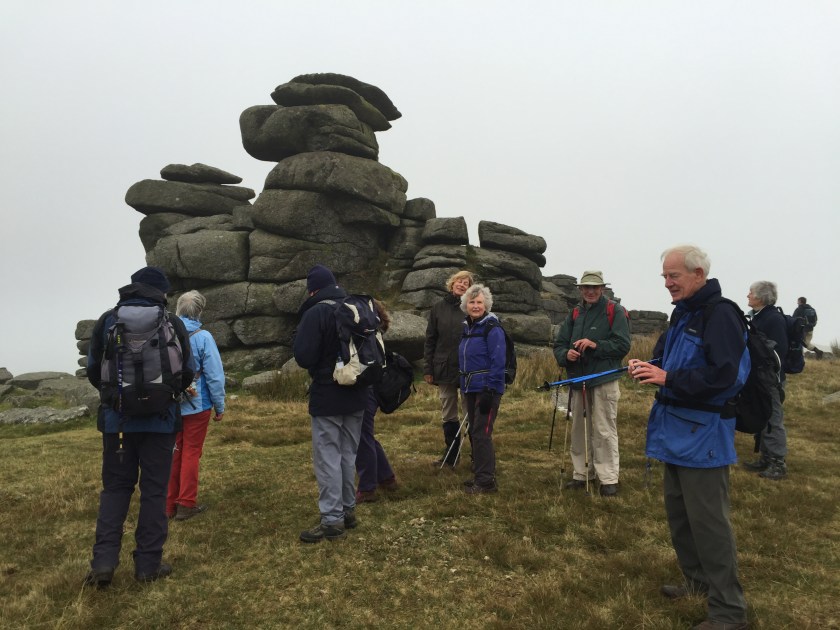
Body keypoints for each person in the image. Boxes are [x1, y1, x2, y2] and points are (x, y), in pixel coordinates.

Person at [629, 245, 749, 630]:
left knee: (709, 525)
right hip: (673, 430)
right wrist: (649, 367)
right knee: (681, 518)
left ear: (698, 274)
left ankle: (728, 611)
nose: (667, 283)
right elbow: (669, 362)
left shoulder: (722, 314)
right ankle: (697, 584)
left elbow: (727, 377)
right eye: (664, 276)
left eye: (674, 276)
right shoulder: (682, 313)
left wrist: (668, 378)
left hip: (704, 436)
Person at [85, 266, 194, 587]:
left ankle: (103, 564)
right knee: (154, 491)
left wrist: (116, 398)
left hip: (117, 423)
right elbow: (186, 371)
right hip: (160, 423)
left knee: (116, 489)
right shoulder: (171, 322)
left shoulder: (108, 320)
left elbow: (94, 370)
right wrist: (165, 397)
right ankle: (148, 565)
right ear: (160, 293)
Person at [293, 264, 368, 543]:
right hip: (358, 392)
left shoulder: (317, 312)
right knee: (348, 454)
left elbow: (304, 356)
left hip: (327, 393)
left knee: (328, 458)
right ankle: (348, 510)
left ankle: (332, 519)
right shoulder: (355, 307)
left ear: (312, 290)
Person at [552, 270, 631, 497]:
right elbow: (559, 344)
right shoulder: (575, 313)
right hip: (578, 380)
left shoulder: (615, 311)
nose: (590, 291)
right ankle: (581, 474)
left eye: (594, 287)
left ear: (602, 289)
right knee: (578, 428)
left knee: (604, 428)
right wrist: (566, 355)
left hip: (604, 378)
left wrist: (596, 345)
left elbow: (623, 345)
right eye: (586, 287)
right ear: (580, 289)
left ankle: (608, 479)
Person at [166, 290, 226, 520]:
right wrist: (219, 406)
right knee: (191, 452)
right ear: (200, 311)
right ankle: (186, 503)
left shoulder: (166, 333)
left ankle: (168, 505)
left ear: (178, 308)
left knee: (174, 452)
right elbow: (215, 376)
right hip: (197, 404)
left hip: (171, 403)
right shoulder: (203, 337)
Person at [424, 270, 475, 467]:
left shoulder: (472, 307)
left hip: (468, 368)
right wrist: (428, 369)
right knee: (448, 413)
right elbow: (430, 340)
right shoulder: (438, 308)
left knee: (471, 412)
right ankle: (451, 457)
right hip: (443, 367)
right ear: (452, 283)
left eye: (466, 283)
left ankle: (478, 457)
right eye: (459, 281)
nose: (462, 284)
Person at [458, 284, 505, 494]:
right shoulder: (468, 328)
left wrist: (490, 389)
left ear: (486, 305)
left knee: (481, 433)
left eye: (479, 302)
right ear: (465, 305)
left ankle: (486, 482)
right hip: (469, 388)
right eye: (472, 302)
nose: (475, 306)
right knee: (474, 432)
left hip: (487, 389)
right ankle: (481, 475)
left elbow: (498, 360)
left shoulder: (492, 328)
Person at [355, 299, 398, 503]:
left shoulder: (368, 335)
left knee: (361, 437)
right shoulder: (375, 333)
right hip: (372, 388)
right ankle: (386, 477)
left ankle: (367, 488)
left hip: (366, 389)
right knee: (365, 436)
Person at [744, 282, 788, 480]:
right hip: (760, 378)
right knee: (763, 416)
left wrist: (767, 374)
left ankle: (778, 463)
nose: (748, 295)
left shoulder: (773, 319)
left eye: (751, 293)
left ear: (761, 297)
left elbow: (779, 352)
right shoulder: (759, 316)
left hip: (770, 379)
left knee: (773, 420)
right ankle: (766, 458)